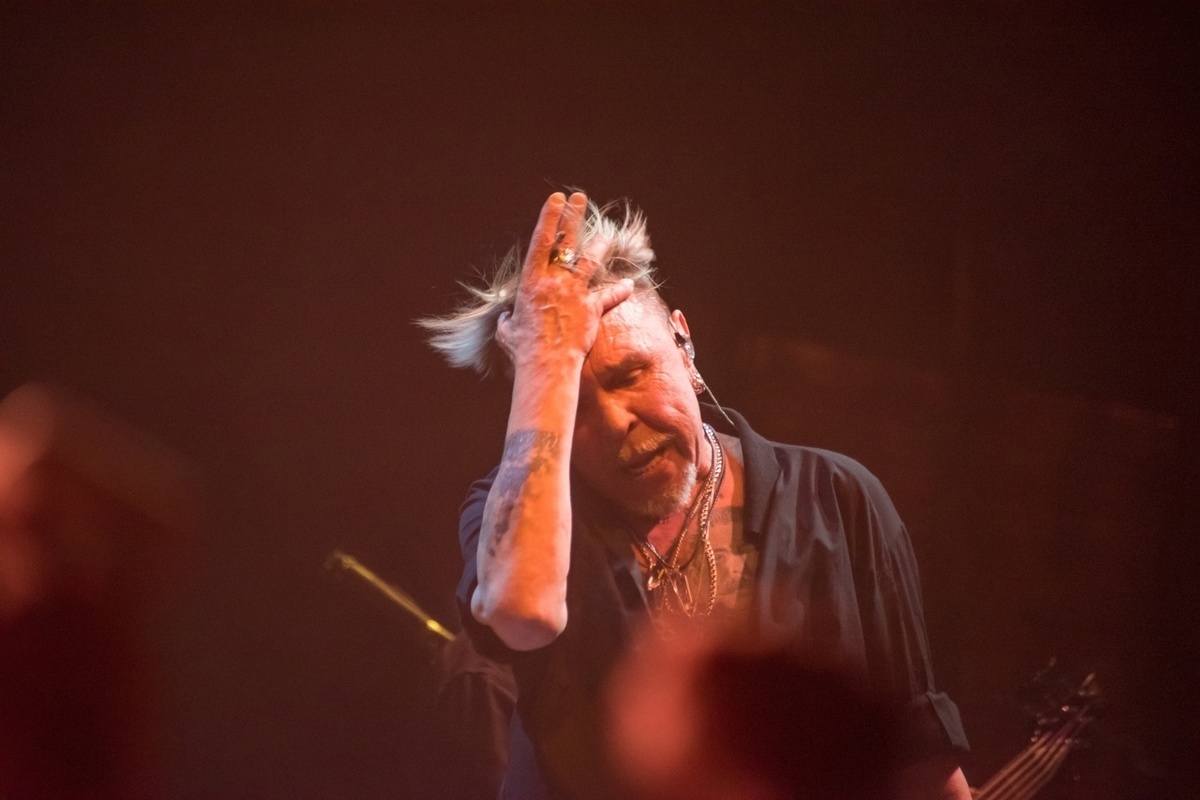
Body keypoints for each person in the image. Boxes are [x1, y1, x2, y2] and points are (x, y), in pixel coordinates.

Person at [420, 192, 971, 799]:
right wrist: (546, 361)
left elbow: (921, 762)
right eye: (574, 404)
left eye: (632, 375)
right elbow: (523, 612)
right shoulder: (511, 514)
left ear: (684, 344)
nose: (617, 422)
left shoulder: (838, 500)